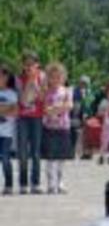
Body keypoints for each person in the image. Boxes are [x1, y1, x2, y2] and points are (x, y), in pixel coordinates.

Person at [42, 63, 74, 194]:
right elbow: (45, 109)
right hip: (49, 127)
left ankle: (60, 182)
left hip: (63, 127)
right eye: (52, 77)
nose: (55, 79)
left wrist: (54, 109)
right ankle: (50, 183)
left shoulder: (66, 91)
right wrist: (59, 108)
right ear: (48, 78)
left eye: (58, 77)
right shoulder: (46, 92)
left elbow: (69, 106)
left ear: (63, 78)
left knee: (61, 157)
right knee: (50, 157)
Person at [16, 51, 45, 194]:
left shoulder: (42, 77)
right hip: (22, 118)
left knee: (35, 152)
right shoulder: (18, 79)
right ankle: (23, 183)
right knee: (22, 151)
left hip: (37, 117)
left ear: (37, 65)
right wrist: (29, 82)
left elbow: (42, 98)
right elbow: (23, 100)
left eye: (31, 64)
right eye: (26, 64)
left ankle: (36, 182)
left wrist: (35, 82)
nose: (28, 67)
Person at [0, 67, 18, 195]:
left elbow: (15, 112)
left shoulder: (12, 93)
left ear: (8, 78)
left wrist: (4, 110)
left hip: (6, 133)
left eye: (2, 76)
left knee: (5, 158)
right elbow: (10, 109)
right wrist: (6, 108)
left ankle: (9, 185)